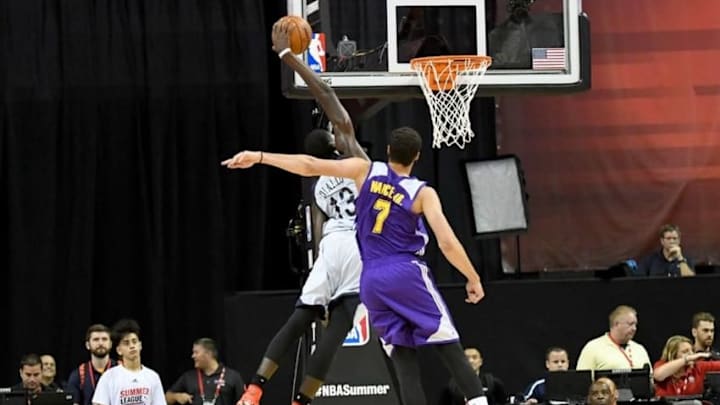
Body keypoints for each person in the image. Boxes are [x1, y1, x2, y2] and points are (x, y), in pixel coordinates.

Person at [223, 21, 489, 405]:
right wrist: (473, 277)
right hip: (387, 262)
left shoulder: (357, 172)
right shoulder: (398, 180)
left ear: (388, 154)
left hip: (352, 263)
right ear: (415, 157)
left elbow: (309, 170)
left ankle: (260, 386)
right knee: (437, 340)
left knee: (387, 352)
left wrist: (260, 154)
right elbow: (446, 242)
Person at [236, 15, 370, 405]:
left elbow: (315, 227)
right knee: (340, 325)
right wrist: (291, 59)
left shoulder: (314, 183)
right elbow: (327, 96)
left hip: (329, 245)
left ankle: (255, 388)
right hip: (358, 246)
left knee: (299, 319)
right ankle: (302, 401)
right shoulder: (353, 158)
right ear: (333, 144)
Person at [92, 319, 166, 405]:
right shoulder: (108, 377)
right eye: (126, 343)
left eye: (134, 341)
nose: (132, 346)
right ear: (119, 350)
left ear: (140, 345)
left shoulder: (153, 377)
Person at [166, 338, 244, 405]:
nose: (193, 356)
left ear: (208, 354)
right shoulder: (188, 376)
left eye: (196, 352)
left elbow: (245, 401)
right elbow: (166, 398)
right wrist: (176, 397)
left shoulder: (232, 376)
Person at [576, 305, 652, 371]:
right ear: (616, 324)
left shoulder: (640, 349)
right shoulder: (592, 347)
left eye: (635, 325)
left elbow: (650, 380)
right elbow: (582, 381)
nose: (634, 328)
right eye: (630, 324)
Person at [67, 324, 119, 405]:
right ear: (88, 345)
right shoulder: (78, 375)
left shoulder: (121, 370)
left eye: (104, 339)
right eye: (96, 339)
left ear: (111, 344)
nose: (100, 343)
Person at [653, 335, 720, 397]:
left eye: (692, 350)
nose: (691, 354)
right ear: (673, 355)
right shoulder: (661, 365)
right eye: (685, 352)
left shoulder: (698, 366)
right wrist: (687, 359)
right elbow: (658, 376)